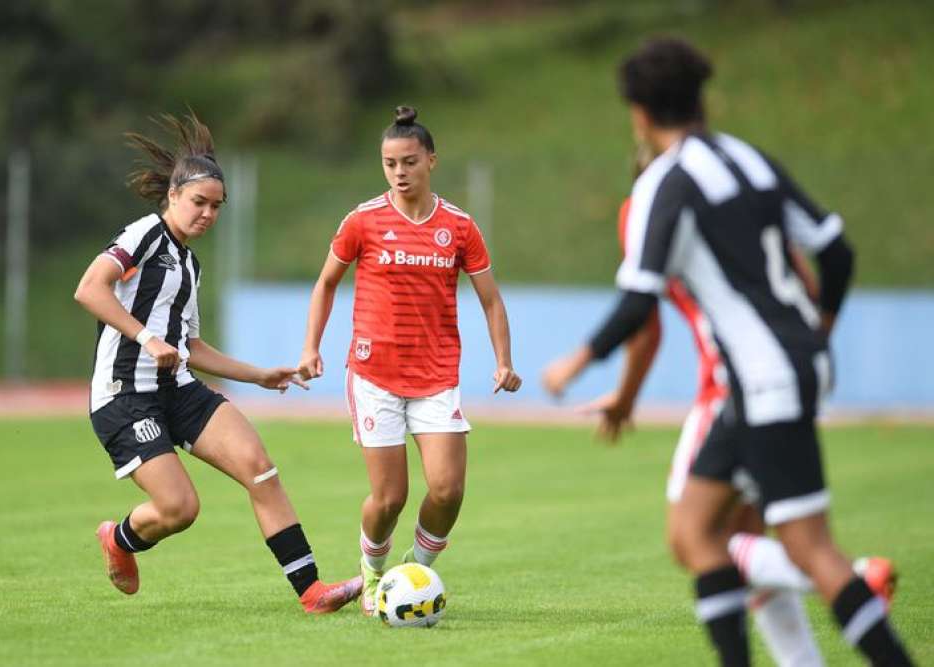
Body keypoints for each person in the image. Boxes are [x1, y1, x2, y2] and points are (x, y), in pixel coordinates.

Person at [542, 38, 913, 665]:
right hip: (782, 371)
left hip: (759, 378)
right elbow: (837, 252)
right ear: (699, 98)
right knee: (697, 534)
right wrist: (817, 331)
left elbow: (639, 305)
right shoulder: (749, 159)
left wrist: (574, 362)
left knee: (802, 547)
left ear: (637, 112)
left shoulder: (664, 183)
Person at [74, 111, 362, 613]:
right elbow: (89, 288)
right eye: (198, 202)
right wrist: (144, 338)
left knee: (260, 468)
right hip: (124, 397)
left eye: (216, 206)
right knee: (180, 509)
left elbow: (191, 347)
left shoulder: (189, 263)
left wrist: (260, 374)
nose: (207, 213)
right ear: (173, 197)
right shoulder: (143, 235)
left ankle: (312, 592)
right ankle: (120, 539)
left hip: (178, 389)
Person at [297, 106, 522, 616]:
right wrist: (311, 346)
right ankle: (373, 574)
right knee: (390, 498)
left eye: (409, 161)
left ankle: (414, 571)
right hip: (374, 375)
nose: (399, 172)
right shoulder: (363, 220)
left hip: (437, 375)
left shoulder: (459, 227)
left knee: (447, 489)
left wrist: (503, 360)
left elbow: (490, 298)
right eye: (389, 163)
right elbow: (327, 282)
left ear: (431, 161)